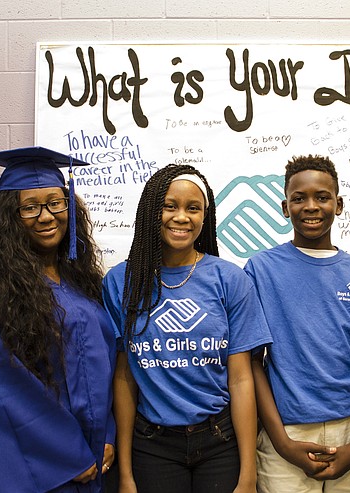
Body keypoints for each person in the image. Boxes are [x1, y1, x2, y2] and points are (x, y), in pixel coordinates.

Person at [0, 147, 115, 493]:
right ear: (9, 216)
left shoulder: (80, 280)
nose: (46, 216)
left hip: (96, 455)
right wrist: (69, 455)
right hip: (44, 470)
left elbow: (105, 366)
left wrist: (106, 435)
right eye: (30, 207)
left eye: (56, 202)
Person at [102, 164, 271, 493]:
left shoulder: (230, 279)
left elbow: (240, 378)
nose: (182, 217)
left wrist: (248, 475)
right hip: (152, 445)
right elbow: (124, 376)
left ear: (205, 217)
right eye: (170, 206)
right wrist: (125, 474)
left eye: (193, 208)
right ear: (152, 211)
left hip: (220, 441)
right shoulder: (122, 282)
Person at [243, 155, 350, 493]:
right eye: (299, 198)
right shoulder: (260, 270)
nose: (311, 206)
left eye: (322, 197)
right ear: (284, 206)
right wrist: (281, 441)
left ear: (339, 204)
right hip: (286, 434)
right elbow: (253, 363)